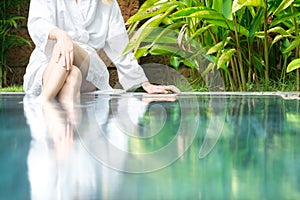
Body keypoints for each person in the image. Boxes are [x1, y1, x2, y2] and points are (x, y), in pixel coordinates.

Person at [23, 0, 180, 103]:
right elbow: (38, 22)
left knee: (66, 47)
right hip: (48, 67)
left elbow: (121, 49)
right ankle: (69, 145)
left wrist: (143, 83)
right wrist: (59, 34)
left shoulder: (107, 4)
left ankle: (42, 103)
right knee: (72, 76)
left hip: (89, 69)